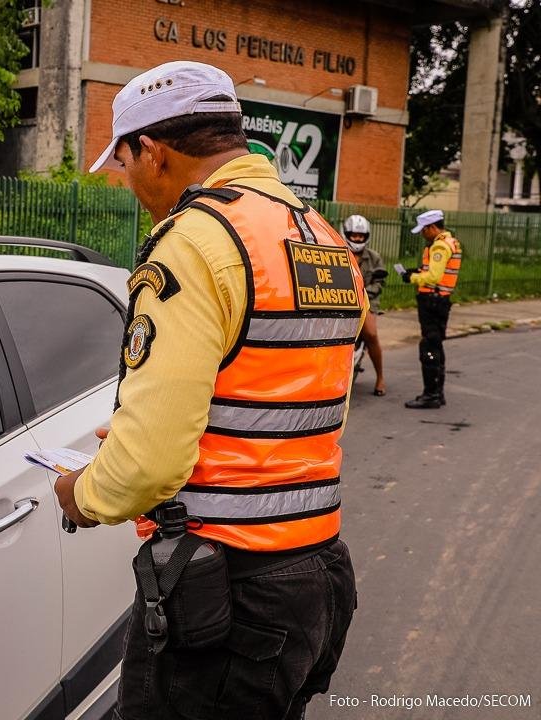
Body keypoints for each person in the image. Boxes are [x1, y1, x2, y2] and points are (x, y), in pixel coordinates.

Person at [53, 61, 362, 720]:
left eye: (123, 161)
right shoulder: (321, 239)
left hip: (228, 595)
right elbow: (291, 404)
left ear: (153, 151)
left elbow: (149, 464)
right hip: (317, 577)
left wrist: (81, 493)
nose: (126, 179)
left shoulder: (196, 241)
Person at [401, 209, 461, 409]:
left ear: (432, 227)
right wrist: (418, 271)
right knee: (435, 345)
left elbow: (434, 277)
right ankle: (437, 393)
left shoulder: (440, 247)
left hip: (433, 302)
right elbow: (436, 273)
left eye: (423, 230)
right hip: (440, 300)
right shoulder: (450, 242)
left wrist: (412, 278)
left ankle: (431, 395)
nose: (422, 234)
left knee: (428, 346)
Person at [343, 214, 387, 395]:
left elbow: (379, 282)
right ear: (347, 233)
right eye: (354, 235)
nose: (357, 239)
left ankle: (380, 378)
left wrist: (364, 295)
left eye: (361, 236)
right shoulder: (339, 252)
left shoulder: (374, 257)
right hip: (344, 301)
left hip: (367, 302)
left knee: (370, 333)